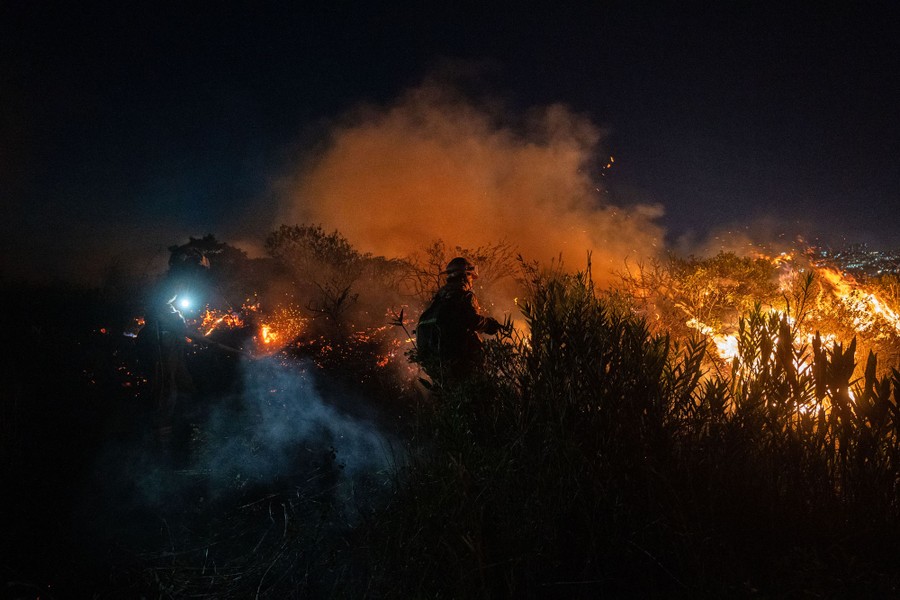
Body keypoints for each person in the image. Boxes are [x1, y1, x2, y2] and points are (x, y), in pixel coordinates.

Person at [415, 256, 503, 384]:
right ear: (465, 276)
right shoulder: (465, 295)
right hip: (460, 359)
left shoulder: (439, 297)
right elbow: (472, 320)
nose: (472, 281)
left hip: (438, 363)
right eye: (471, 277)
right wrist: (490, 324)